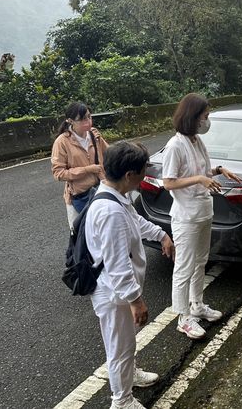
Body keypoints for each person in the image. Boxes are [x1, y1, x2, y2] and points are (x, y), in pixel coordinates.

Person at [85, 141, 175, 409]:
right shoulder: (110, 211)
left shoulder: (115, 197)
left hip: (117, 289)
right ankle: (121, 401)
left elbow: (135, 221)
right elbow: (117, 265)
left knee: (125, 344)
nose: (144, 177)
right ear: (129, 175)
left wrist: (160, 234)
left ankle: (130, 376)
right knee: (119, 349)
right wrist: (136, 300)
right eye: (142, 172)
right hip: (113, 293)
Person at [162, 93, 242, 339]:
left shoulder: (196, 141)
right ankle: (183, 317)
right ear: (193, 117)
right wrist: (199, 179)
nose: (207, 121)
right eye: (205, 116)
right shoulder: (175, 145)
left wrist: (217, 170)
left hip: (204, 212)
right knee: (184, 267)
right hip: (186, 217)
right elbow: (168, 182)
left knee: (200, 262)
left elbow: (198, 170)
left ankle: (197, 305)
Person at [51, 102, 108, 229]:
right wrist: (88, 170)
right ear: (70, 121)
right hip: (80, 196)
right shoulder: (62, 142)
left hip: (101, 190)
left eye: (89, 116)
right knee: (82, 236)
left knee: (105, 231)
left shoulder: (94, 135)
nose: (88, 121)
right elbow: (58, 173)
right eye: (82, 119)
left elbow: (110, 155)